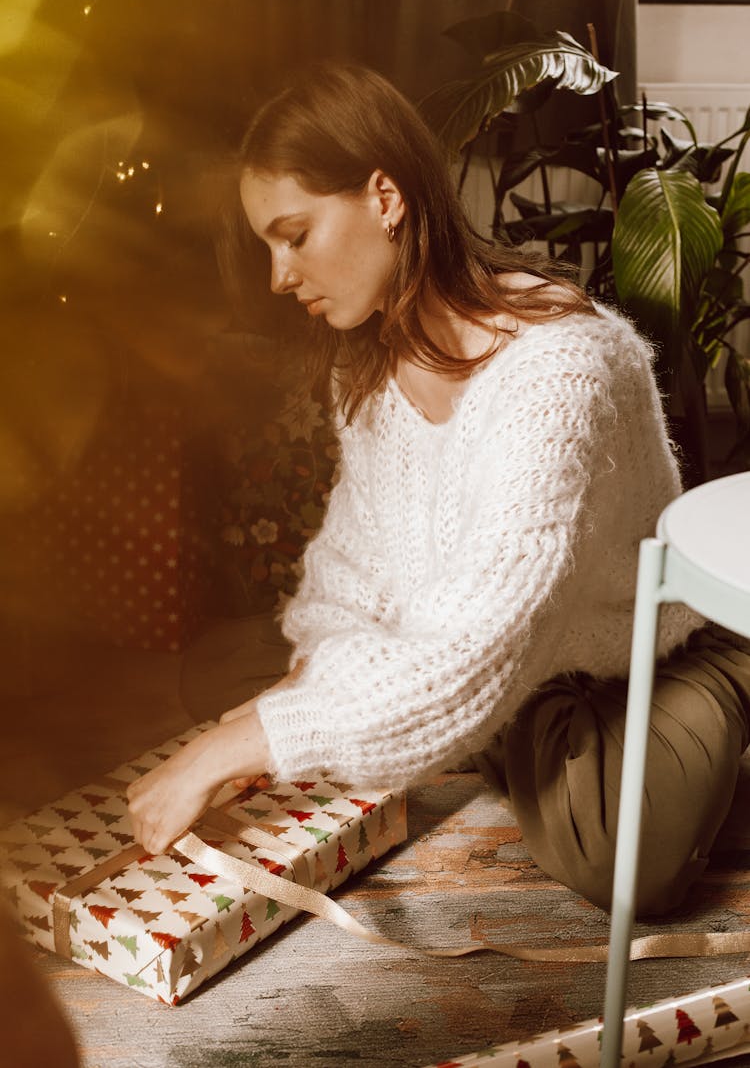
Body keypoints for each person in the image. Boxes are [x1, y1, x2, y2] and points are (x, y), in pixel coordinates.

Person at [127, 62, 750, 916]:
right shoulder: (373, 363)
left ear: (384, 196)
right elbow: (355, 566)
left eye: (294, 234)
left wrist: (241, 744)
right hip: (520, 657)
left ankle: (709, 709)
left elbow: (475, 639)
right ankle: (467, 719)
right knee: (271, 681)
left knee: (619, 862)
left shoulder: (561, 366)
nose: (278, 276)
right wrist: (280, 702)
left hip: (640, 652)